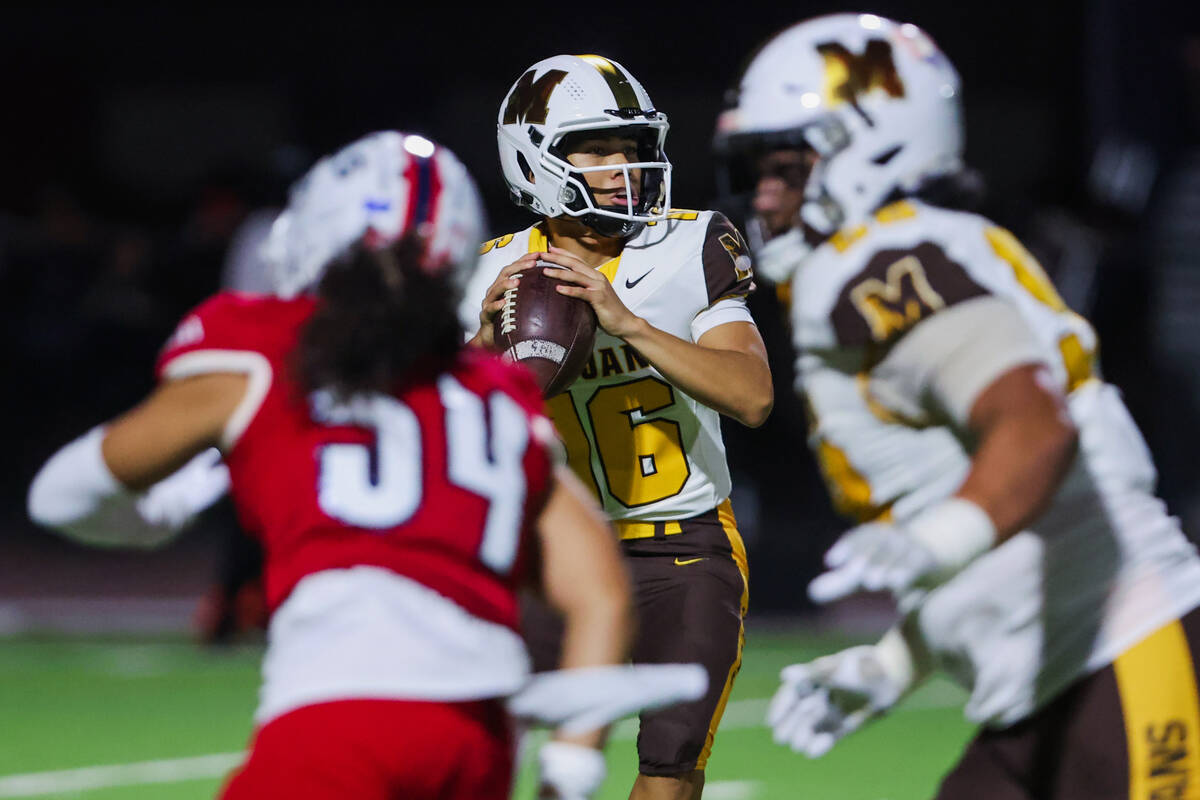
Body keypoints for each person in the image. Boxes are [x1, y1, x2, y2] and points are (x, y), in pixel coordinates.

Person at [27, 131, 706, 800]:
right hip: (479, 742)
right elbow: (598, 590)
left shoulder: (262, 348)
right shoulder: (497, 396)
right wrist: (572, 764)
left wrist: (156, 515)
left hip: (337, 715)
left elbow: (59, 498)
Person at [715, 13, 1200, 800]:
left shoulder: (875, 264)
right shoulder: (929, 246)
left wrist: (940, 537)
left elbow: (1036, 427)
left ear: (864, 146)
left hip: (1121, 660)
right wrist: (895, 661)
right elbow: (1004, 518)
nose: (764, 194)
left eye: (785, 165)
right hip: (1052, 689)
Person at [460, 54, 773, 800]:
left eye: (630, 147)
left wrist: (625, 323)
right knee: (481, 746)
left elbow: (752, 395)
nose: (622, 166)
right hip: (545, 552)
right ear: (536, 158)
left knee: (670, 763)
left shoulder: (691, 244)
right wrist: (478, 344)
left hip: (682, 544)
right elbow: (429, 420)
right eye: (597, 149)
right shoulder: (488, 273)